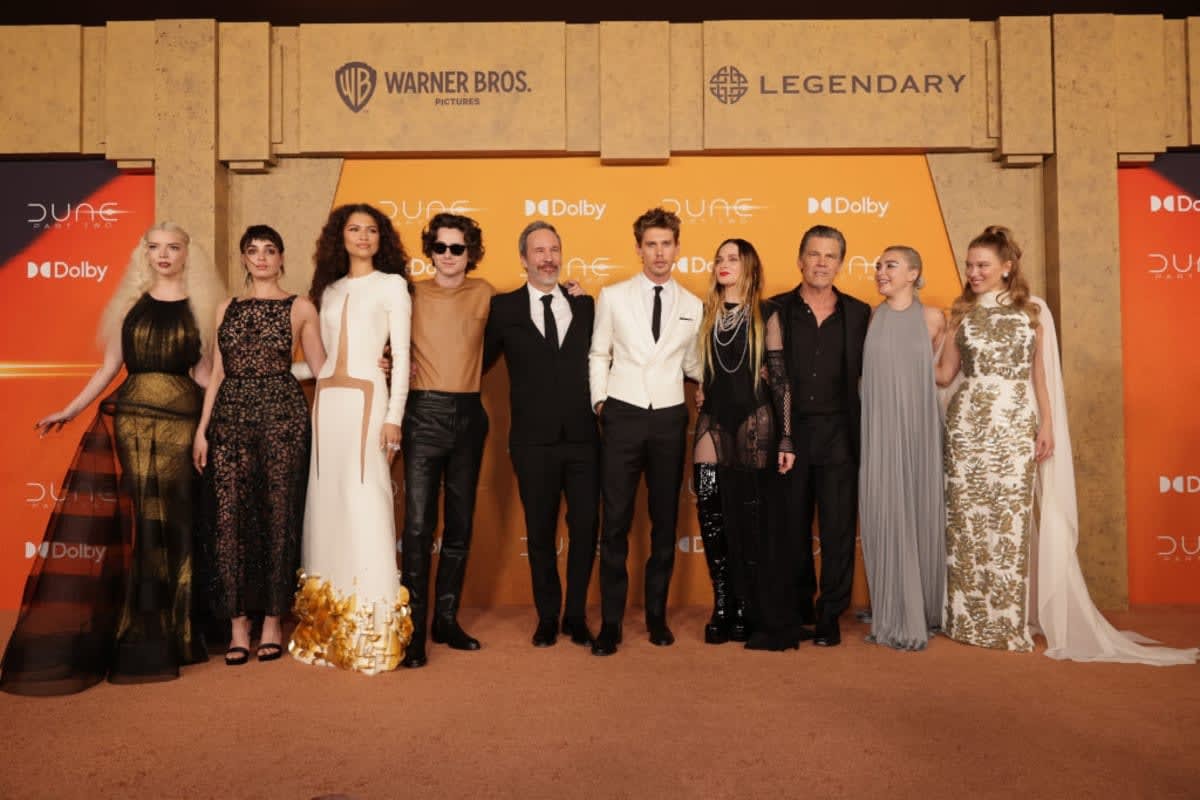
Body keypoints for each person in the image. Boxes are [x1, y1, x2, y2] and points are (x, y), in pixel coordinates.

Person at [936, 226, 1196, 665]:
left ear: (1007, 267)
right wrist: (902, 355)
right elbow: (944, 375)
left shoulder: (1032, 311)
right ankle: (966, 619)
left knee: (1009, 522)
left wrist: (1048, 426)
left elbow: (1041, 377)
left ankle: (1006, 623)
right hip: (966, 428)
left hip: (1016, 424)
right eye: (969, 264)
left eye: (982, 265)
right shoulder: (960, 312)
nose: (973, 272)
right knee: (965, 522)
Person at [1, 221, 222, 695]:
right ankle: (136, 629)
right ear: (145, 254)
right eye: (156, 248)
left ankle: (178, 631)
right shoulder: (129, 304)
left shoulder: (203, 307)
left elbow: (206, 377)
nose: (164, 256)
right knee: (143, 521)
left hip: (181, 424)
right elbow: (109, 369)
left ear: (188, 254)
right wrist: (70, 408)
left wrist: (215, 425)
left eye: (174, 248)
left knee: (177, 523)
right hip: (132, 420)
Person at [288, 203, 414, 676]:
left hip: (370, 406)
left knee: (367, 504)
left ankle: (373, 637)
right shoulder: (328, 291)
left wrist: (394, 416)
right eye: (354, 229)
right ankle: (326, 631)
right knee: (327, 507)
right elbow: (319, 365)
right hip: (327, 407)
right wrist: (267, 369)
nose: (363, 237)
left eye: (371, 230)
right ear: (339, 237)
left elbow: (399, 357)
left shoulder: (392, 285)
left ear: (382, 239)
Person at [193, 225, 325, 665]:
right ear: (244, 259)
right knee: (229, 520)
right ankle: (237, 626)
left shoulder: (300, 305)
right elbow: (218, 374)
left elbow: (320, 369)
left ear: (282, 257)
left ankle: (272, 619)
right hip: (228, 420)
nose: (262, 258)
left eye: (270, 250)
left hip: (282, 418)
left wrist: (367, 365)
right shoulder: (226, 308)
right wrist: (202, 429)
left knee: (278, 516)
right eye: (253, 251)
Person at [588, 207, 703, 656]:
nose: (659, 252)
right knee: (613, 522)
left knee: (664, 523)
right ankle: (612, 623)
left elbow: (693, 364)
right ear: (639, 248)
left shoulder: (693, 305)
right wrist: (601, 402)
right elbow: (599, 353)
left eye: (666, 243)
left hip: (670, 421)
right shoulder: (612, 296)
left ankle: (657, 616)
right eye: (651, 244)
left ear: (677, 248)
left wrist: (716, 382)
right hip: (622, 415)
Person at [483, 221, 599, 648]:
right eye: (538, 251)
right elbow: (472, 363)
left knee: (586, 529)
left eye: (554, 249)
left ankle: (575, 615)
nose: (548, 258)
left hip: (585, 438)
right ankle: (547, 615)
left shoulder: (586, 305)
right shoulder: (504, 309)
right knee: (541, 531)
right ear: (523, 258)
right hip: (532, 441)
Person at [400, 212, 495, 668]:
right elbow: (386, 343)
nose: (449, 256)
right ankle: (413, 631)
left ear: (470, 252)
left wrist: (571, 294)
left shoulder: (486, 293)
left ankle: (446, 619)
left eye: (458, 248)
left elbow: (505, 339)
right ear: (430, 250)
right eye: (441, 247)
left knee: (459, 525)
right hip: (422, 413)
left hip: (469, 414)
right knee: (418, 528)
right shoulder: (409, 292)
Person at [768, 224, 870, 648]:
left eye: (830, 256)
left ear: (841, 264)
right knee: (791, 527)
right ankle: (799, 608)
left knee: (838, 530)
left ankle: (830, 614)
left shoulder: (861, 313)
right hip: (789, 435)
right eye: (814, 254)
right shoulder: (773, 309)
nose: (822, 263)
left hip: (841, 434)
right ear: (800, 259)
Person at [693, 238, 796, 650]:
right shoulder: (705, 313)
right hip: (713, 419)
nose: (723, 264)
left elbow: (782, 379)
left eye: (732, 259)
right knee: (710, 508)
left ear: (749, 266)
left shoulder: (767, 312)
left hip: (756, 419)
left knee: (748, 520)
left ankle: (745, 607)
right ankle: (723, 603)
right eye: (719, 258)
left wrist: (787, 436)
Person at [858, 246, 946, 651]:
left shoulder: (933, 319)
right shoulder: (873, 317)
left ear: (913, 273)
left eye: (890, 265)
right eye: (878, 266)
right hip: (878, 430)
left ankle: (922, 607)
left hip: (917, 431)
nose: (880, 271)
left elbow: (943, 377)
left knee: (917, 508)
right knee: (883, 510)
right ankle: (891, 605)